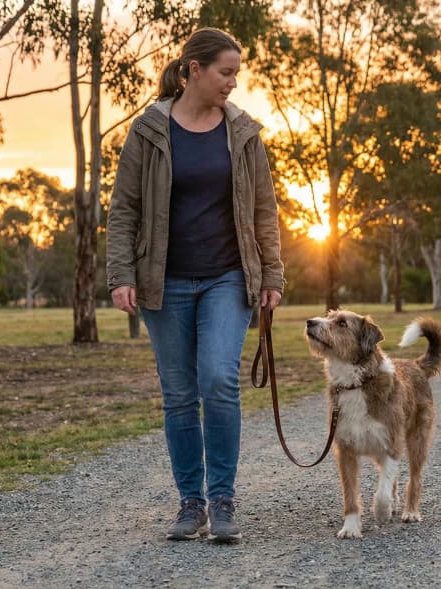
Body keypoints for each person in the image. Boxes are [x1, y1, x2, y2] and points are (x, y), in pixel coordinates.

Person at [106, 28, 285, 542]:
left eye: (237, 73)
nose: (233, 81)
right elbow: (125, 211)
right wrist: (121, 275)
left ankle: (223, 499)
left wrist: (272, 274)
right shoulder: (149, 131)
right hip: (164, 281)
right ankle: (191, 504)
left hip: (228, 277)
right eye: (225, 71)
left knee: (218, 381)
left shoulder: (245, 133)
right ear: (193, 70)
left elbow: (264, 211)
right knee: (180, 394)